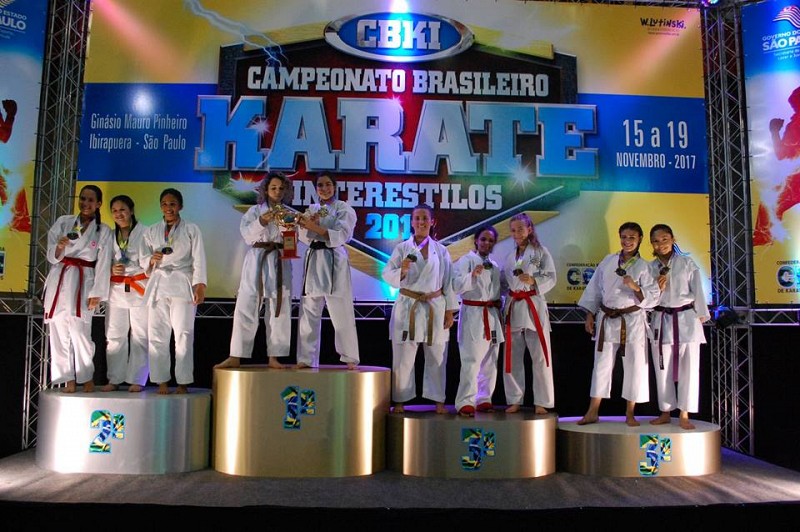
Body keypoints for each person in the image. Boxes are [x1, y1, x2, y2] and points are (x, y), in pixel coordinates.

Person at [577, 221, 659, 427]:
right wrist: (590, 314)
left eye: (632, 237)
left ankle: (630, 413)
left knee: (635, 365)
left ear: (640, 239)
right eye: (624, 237)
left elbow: (653, 298)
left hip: (632, 321)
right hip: (607, 318)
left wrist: (635, 287)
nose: (627, 241)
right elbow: (595, 288)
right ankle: (593, 410)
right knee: (601, 365)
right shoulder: (608, 260)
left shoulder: (645, 266)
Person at [382, 203, 457, 414]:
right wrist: (402, 271)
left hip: (434, 305)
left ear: (432, 222)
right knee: (403, 357)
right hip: (409, 304)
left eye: (425, 218)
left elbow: (449, 281)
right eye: (417, 218)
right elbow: (386, 273)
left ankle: (438, 401)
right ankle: (400, 400)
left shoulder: (441, 251)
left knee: (437, 356)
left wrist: (450, 311)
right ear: (411, 222)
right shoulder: (402, 248)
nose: (421, 222)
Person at [215, 173, 293, 370]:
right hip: (257, 258)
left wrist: (288, 228)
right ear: (266, 189)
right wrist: (262, 222)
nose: (277, 192)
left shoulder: (288, 213)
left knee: (279, 308)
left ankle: (274, 356)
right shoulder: (254, 211)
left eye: (281, 188)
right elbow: (247, 235)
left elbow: (292, 241)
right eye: (273, 188)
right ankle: (236, 355)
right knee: (246, 305)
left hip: (279, 259)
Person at [43, 184, 113, 393]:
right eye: (83, 199)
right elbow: (51, 254)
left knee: (80, 332)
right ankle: (67, 379)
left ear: (98, 204)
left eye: (90, 200)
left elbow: (103, 263)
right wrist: (59, 247)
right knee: (58, 329)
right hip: (60, 277)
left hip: (84, 281)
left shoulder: (103, 230)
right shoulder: (63, 222)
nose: (85, 203)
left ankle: (86, 376)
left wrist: (98, 292)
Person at [139, 188, 207, 394]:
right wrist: (151, 260)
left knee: (183, 334)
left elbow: (199, 258)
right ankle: (161, 381)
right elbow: (143, 259)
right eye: (165, 204)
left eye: (173, 204)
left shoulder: (191, 229)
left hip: (182, 283)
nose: (168, 208)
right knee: (157, 335)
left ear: (180, 206)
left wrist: (200, 285)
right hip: (159, 284)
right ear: (160, 206)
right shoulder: (151, 231)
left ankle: (183, 382)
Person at [647, 224, 710, 430]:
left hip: (686, 318)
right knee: (662, 368)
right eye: (656, 241)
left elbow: (698, 290)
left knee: (689, 368)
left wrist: (701, 315)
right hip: (661, 318)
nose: (661, 244)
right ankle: (665, 411)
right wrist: (657, 288)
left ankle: (684, 413)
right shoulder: (649, 268)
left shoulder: (687, 263)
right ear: (652, 244)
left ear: (673, 239)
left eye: (664, 239)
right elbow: (646, 298)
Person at [295, 173, 359, 369]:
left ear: (335, 186)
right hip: (314, 257)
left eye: (328, 184)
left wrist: (315, 228)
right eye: (320, 185)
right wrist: (306, 225)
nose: (324, 188)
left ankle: (350, 357)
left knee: (341, 310)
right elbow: (303, 235)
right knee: (309, 310)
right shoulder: (312, 209)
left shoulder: (343, 208)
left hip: (334, 258)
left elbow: (342, 234)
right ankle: (306, 358)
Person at [500, 213, 556, 414]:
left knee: (540, 357)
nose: (517, 233)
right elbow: (504, 283)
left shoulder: (540, 252)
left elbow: (552, 276)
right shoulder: (510, 256)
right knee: (512, 356)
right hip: (514, 306)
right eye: (513, 230)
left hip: (533, 304)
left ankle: (542, 401)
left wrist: (534, 281)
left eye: (521, 229)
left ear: (530, 229)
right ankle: (515, 399)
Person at [452, 225, 503, 417]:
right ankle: (465, 401)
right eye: (483, 239)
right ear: (476, 240)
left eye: (490, 241)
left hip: (492, 314)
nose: (486, 243)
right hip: (473, 313)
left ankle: (484, 398)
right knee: (471, 359)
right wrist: (471, 276)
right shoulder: (466, 261)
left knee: (491, 359)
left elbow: (499, 290)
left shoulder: (495, 266)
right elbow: (456, 285)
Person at [103, 195, 149, 392]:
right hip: (116, 290)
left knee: (140, 335)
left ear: (131, 210)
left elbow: (151, 262)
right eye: (114, 211)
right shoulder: (109, 235)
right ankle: (114, 378)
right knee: (114, 335)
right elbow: (101, 260)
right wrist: (111, 268)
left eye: (122, 209)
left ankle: (138, 379)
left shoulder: (145, 233)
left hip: (139, 287)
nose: (118, 214)